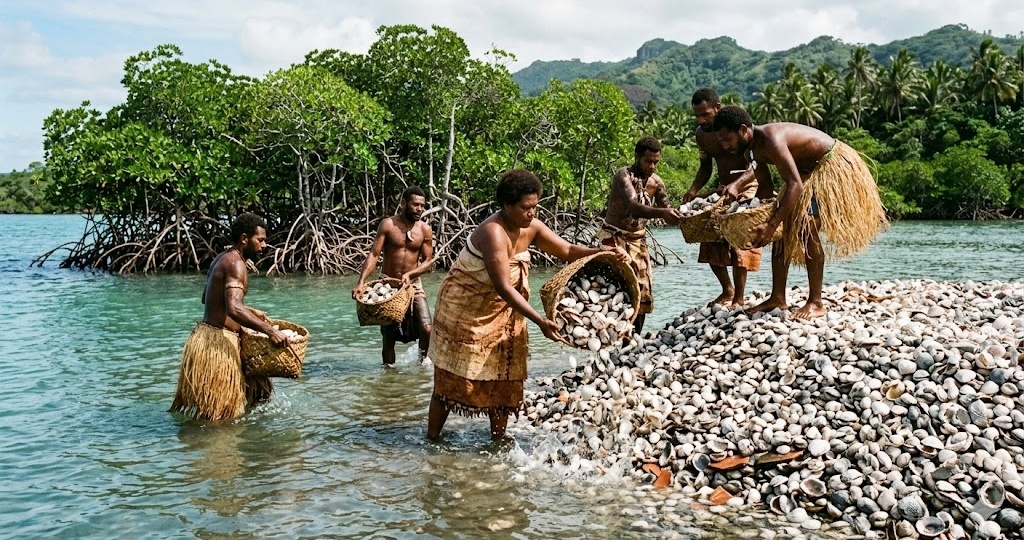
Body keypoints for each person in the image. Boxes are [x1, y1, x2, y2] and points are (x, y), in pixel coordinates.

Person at [426, 169, 629, 441]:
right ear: (506, 205)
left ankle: (498, 439)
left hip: (505, 310)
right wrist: (540, 321)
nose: (531, 213)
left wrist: (604, 252)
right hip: (466, 310)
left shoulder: (531, 227)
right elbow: (503, 286)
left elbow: (567, 251)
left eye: (535, 206)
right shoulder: (493, 233)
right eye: (525, 208)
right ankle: (431, 439)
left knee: (505, 373)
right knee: (451, 380)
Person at [712, 105, 888, 319]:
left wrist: (771, 224)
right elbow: (766, 188)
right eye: (721, 141)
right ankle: (778, 297)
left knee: (806, 229)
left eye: (726, 139)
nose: (724, 145)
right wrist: (753, 213)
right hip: (804, 174)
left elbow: (794, 185)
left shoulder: (771, 138)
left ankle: (816, 302)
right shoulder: (750, 150)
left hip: (829, 166)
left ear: (742, 130)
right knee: (779, 232)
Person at [170, 212, 288, 422]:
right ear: (245, 239)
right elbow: (233, 308)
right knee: (220, 416)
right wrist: (270, 331)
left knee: (260, 393)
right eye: (260, 240)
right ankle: (221, 451)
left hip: (207, 338)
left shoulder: (222, 258)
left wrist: (249, 311)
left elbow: (208, 298)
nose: (264, 245)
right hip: (218, 344)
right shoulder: (236, 264)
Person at [683, 88, 771, 307]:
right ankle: (727, 289)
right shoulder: (701, 135)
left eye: (706, 114)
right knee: (709, 235)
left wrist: (738, 185)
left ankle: (739, 297)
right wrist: (693, 191)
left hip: (748, 185)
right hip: (723, 188)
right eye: (697, 116)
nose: (701, 120)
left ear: (717, 108)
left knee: (738, 238)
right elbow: (705, 168)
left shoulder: (738, 128)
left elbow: (757, 164)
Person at [598, 136, 682, 335]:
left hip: (638, 241)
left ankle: (634, 339)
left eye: (656, 162)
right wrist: (662, 213)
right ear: (637, 157)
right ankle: (612, 337)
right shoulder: (623, 176)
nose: (652, 166)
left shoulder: (656, 183)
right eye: (648, 161)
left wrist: (685, 213)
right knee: (614, 289)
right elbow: (633, 206)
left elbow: (667, 208)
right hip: (614, 237)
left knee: (641, 291)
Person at [352, 186, 434, 365]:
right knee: (388, 338)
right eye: (415, 205)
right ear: (404, 203)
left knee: (427, 328)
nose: (419, 209)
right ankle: (388, 375)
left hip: (413, 285)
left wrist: (411, 274)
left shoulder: (425, 230)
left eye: (422, 206)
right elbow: (374, 254)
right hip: (387, 285)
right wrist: (361, 282)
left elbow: (429, 260)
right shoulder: (388, 224)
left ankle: (422, 362)